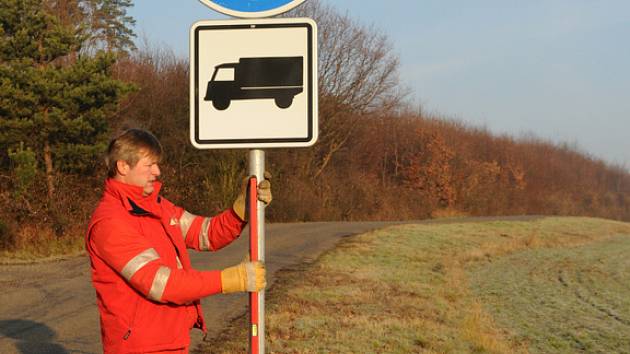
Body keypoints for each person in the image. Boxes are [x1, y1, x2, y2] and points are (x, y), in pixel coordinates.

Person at [86, 128, 270, 353]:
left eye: (157, 164)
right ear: (123, 166)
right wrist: (230, 279)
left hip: (171, 340)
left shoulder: (157, 206)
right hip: (141, 347)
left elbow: (205, 233)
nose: (157, 171)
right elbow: (161, 284)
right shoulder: (111, 222)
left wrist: (241, 210)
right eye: (149, 165)